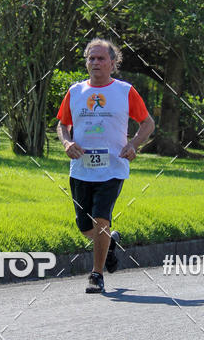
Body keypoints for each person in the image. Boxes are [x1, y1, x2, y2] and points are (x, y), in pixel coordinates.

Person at [56, 39, 155, 293]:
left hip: (112, 168)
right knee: (85, 226)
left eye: (101, 58)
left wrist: (133, 145)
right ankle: (110, 242)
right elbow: (62, 124)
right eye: (91, 58)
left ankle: (96, 275)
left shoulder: (124, 91)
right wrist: (67, 143)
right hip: (81, 168)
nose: (95, 63)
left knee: (101, 218)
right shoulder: (75, 92)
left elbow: (147, 123)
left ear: (113, 62)